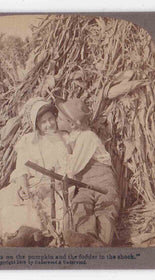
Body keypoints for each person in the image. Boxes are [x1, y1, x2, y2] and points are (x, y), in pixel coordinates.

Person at [0, 98, 70, 244]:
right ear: (36, 125)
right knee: (11, 198)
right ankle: (17, 234)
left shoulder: (64, 138)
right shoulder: (28, 141)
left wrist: (49, 186)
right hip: (32, 183)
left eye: (51, 119)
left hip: (55, 185)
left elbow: (69, 169)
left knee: (46, 208)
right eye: (43, 122)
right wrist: (23, 184)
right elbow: (21, 168)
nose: (49, 124)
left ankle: (32, 234)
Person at [56, 98, 120, 246]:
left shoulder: (87, 137)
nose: (57, 120)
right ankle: (86, 239)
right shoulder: (73, 138)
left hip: (103, 183)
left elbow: (72, 168)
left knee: (105, 209)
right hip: (85, 185)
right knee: (80, 205)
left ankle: (102, 243)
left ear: (72, 124)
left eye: (60, 118)